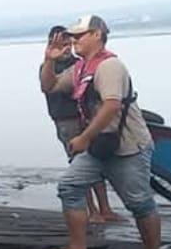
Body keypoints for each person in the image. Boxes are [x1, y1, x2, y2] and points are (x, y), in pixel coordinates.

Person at [40, 14, 163, 249]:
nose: (74, 41)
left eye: (79, 35)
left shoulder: (109, 66)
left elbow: (112, 105)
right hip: (100, 145)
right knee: (70, 187)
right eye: (72, 36)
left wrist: (84, 137)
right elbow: (49, 87)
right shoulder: (80, 68)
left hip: (127, 145)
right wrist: (49, 60)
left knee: (139, 203)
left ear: (97, 34)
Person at [42, 25, 120, 224]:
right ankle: (91, 210)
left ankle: (105, 208)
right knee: (79, 166)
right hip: (65, 120)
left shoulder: (81, 64)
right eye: (62, 44)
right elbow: (47, 87)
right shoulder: (50, 68)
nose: (67, 48)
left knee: (94, 165)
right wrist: (49, 60)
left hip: (85, 119)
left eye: (69, 43)